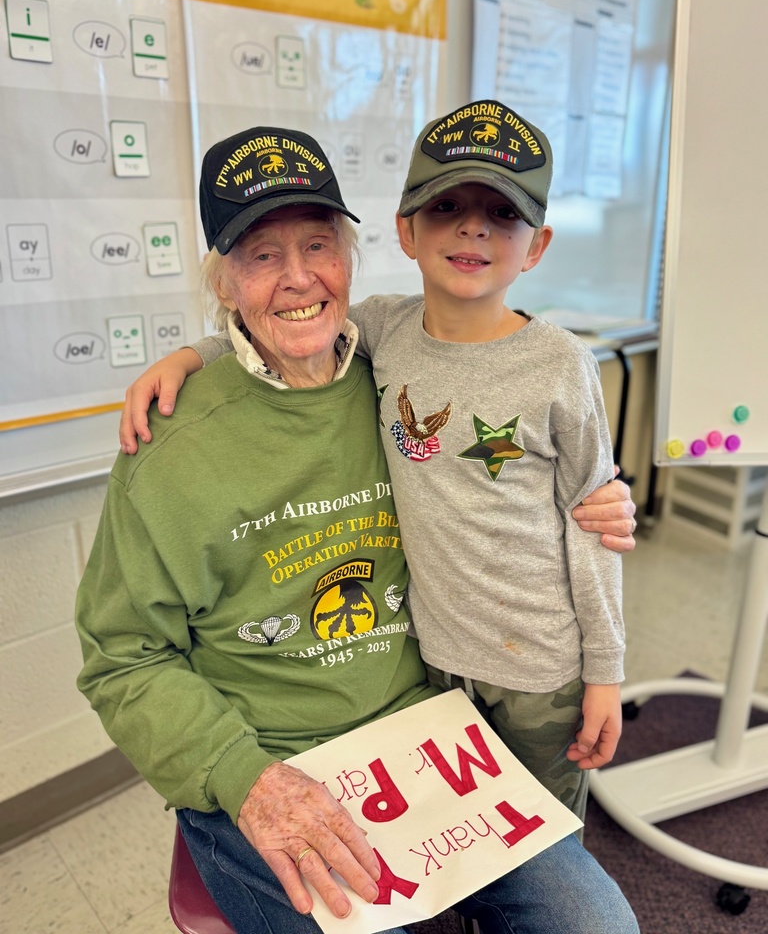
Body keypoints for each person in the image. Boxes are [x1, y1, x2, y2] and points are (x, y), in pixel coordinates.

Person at [81, 122, 642, 934]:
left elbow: (518, 461)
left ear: (352, 256)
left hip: (429, 732)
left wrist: (595, 499)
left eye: (318, 244)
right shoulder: (169, 446)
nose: (299, 277)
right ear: (224, 282)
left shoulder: (396, 377)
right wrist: (246, 778)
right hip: (268, 753)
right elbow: (121, 658)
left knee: (599, 927)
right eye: (261, 256)